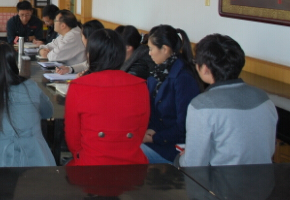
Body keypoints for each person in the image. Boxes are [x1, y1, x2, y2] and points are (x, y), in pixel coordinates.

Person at [176, 34, 277, 167]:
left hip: (221, 180)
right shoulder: (264, 98)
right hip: (265, 177)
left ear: (204, 69)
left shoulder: (201, 105)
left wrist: (181, 157)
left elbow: (193, 165)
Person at [64, 29, 150, 166]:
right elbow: (140, 131)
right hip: (132, 165)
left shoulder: (78, 86)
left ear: (91, 54)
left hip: (91, 165)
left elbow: (73, 138)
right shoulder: (140, 85)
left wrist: (81, 155)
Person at [141, 24, 200, 164]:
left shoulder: (183, 79)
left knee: (128, 154)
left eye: (151, 49)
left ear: (165, 49)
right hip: (158, 138)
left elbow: (184, 127)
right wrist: (151, 129)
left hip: (174, 147)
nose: (149, 53)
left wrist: (154, 138)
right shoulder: (159, 72)